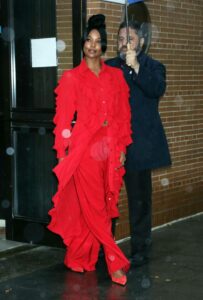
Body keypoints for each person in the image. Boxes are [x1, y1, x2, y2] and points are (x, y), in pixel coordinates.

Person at [48, 14, 132, 285]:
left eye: (98, 41)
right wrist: (63, 153)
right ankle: (114, 262)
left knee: (105, 204)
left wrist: (121, 148)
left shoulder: (116, 76)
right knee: (95, 206)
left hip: (110, 147)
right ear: (83, 44)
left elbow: (123, 116)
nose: (93, 45)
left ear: (103, 45)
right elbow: (62, 120)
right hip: (85, 149)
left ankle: (80, 256)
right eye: (88, 40)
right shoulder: (72, 78)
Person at [106, 20, 171, 267]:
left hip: (140, 145)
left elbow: (156, 90)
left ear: (141, 42)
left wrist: (136, 68)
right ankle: (105, 246)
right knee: (106, 198)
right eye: (121, 39)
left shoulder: (154, 67)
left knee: (139, 201)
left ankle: (141, 249)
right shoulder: (109, 67)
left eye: (130, 39)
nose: (124, 43)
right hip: (111, 146)